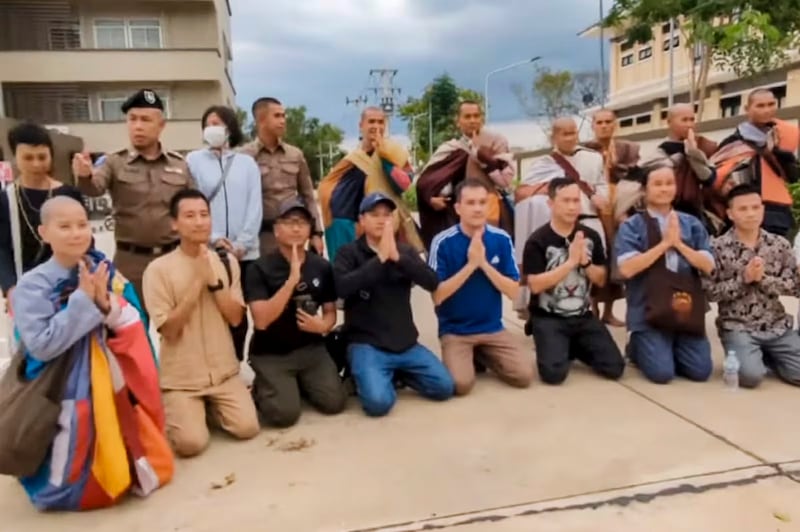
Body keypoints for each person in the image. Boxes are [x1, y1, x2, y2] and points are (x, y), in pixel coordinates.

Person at [10, 196, 172, 510]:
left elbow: (129, 317)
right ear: (44, 232)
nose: (76, 233)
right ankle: (71, 487)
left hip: (108, 375)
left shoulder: (103, 270)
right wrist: (84, 301)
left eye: (82, 225)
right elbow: (41, 345)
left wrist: (107, 306)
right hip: (61, 386)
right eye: (64, 226)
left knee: (118, 433)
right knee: (72, 444)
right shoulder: (33, 285)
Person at [142, 189, 259, 457]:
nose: (199, 222)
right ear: (174, 223)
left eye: (204, 215)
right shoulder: (158, 270)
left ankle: (210, 407)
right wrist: (197, 280)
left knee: (248, 428)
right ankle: (184, 407)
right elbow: (169, 331)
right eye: (190, 216)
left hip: (223, 371)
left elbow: (236, 317)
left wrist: (214, 282)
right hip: (182, 377)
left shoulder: (226, 261)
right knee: (191, 444)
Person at [333, 192, 454, 416]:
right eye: (374, 214)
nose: (382, 220)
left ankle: (396, 373)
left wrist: (397, 257)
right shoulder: (348, 253)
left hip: (405, 343)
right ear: (361, 220)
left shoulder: (405, 251)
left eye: (387, 215)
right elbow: (342, 288)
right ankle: (365, 374)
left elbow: (432, 281)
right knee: (379, 404)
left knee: (444, 387)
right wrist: (380, 259)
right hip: (366, 344)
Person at [71, 88, 195, 305]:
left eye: (145, 119)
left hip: (172, 258)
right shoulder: (114, 162)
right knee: (132, 328)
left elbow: (192, 208)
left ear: (161, 125)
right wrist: (84, 175)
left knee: (176, 327)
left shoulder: (179, 165)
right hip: (130, 262)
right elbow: (95, 188)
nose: (138, 126)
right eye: (132, 119)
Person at [245, 197, 346, 427]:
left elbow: (330, 311)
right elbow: (261, 322)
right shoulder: (259, 268)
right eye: (289, 222)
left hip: (311, 349)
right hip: (272, 352)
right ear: (276, 230)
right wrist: (291, 282)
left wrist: (323, 326)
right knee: (284, 416)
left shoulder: (321, 266)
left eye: (302, 222)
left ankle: (298, 383)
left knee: (334, 403)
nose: (297, 228)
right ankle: (264, 386)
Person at [429, 178, 533, 395]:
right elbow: (437, 296)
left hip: (492, 328)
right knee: (461, 385)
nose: (477, 208)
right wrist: (471, 265)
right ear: (458, 208)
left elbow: (514, 291)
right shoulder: (442, 242)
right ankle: (471, 355)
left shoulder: (501, 239)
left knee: (524, 376)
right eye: (470, 203)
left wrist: (484, 264)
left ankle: (482, 353)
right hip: (456, 331)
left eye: (482, 202)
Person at [616, 166, 715, 384]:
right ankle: (637, 346)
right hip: (648, 309)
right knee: (662, 374)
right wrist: (665, 245)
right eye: (657, 184)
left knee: (700, 372)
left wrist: (678, 244)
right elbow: (627, 269)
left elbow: (708, 265)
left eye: (669, 183)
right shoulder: (632, 226)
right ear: (644, 190)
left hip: (685, 308)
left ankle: (670, 346)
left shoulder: (691, 223)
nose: (664, 189)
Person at [523, 178, 625, 384]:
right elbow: (535, 285)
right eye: (565, 201)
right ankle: (555, 342)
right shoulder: (538, 240)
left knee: (615, 368)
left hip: (582, 316)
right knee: (553, 375)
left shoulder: (591, 236)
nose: (572, 207)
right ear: (551, 204)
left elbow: (601, 279)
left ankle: (574, 345)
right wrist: (570, 263)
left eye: (576, 201)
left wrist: (585, 263)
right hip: (548, 316)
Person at [705, 185, 800, 388]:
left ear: (763, 209)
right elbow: (710, 293)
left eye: (756, 207)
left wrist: (763, 279)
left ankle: (772, 357)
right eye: (743, 209)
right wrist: (744, 279)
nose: (751, 214)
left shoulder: (779, 245)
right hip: (738, 326)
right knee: (750, 377)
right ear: (730, 213)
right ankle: (755, 357)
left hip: (776, 325)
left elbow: (794, 287)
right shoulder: (716, 247)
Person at [187, 105, 262, 361]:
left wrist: (242, 243)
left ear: (230, 127)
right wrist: (214, 238)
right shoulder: (193, 161)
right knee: (213, 311)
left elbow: (255, 205)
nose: (212, 127)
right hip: (210, 251)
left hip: (246, 254)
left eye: (217, 122)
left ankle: (235, 363)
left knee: (240, 313)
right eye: (207, 123)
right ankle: (214, 363)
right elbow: (193, 203)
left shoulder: (247, 163)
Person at [514, 117, 609, 315]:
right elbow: (523, 193)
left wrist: (600, 197)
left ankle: (590, 317)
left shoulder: (593, 158)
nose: (570, 138)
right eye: (564, 134)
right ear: (554, 137)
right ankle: (545, 315)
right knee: (557, 275)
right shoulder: (543, 164)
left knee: (592, 273)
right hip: (558, 228)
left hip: (589, 220)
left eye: (573, 132)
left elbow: (602, 185)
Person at [318, 106, 423, 261]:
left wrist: (384, 155)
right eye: (371, 122)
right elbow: (329, 188)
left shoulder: (394, 153)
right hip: (354, 227)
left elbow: (404, 184)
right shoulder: (353, 160)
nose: (376, 126)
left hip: (387, 224)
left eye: (380, 122)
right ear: (361, 126)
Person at [1, 122, 85, 300]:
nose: (36, 164)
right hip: (25, 289)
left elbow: (85, 241)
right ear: (15, 157)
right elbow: (2, 248)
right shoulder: (6, 198)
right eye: (28, 158)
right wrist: (10, 288)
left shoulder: (69, 194)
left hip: (69, 288)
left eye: (42, 157)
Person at [416, 101, 515, 250]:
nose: (472, 121)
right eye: (467, 117)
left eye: (476, 116)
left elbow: (505, 181)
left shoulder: (495, 143)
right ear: (458, 121)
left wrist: (481, 157)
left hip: (491, 209)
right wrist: (431, 199)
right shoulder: (450, 148)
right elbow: (425, 181)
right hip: (455, 214)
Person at [240, 97, 324, 255]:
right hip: (260, 238)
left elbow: (308, 197)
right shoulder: (244, 156)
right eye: (277, 116)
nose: (283, 121)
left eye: (283, 116)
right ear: (261, 120)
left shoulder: (295, 155)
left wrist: (316, 233)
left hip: (293, 234)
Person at [712, 89, 798, 237]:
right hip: (744, 213)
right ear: (747, 109)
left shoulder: (784, 137)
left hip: (777, 214)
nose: (767, 110)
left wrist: (780, 154)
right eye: (760, 106)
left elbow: (793, 176)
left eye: (771, 104)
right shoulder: (733, 143)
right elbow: (715, 178)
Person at [582, 109, 640, 326]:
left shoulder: (627, 149)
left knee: (615, 257)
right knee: (597, 255)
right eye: (600, 122)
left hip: (619, 207)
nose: (604, 126)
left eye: (608, 122)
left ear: (615, 124)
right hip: (593, 207)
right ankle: (593, 308)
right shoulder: (584, 150)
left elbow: (635, 178)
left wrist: (615, 165)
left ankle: (608, 310)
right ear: (593, 125)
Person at [640, 104, 719, 235]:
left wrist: (693, 153)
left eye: (692, 119)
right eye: (684, 120)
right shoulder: (659, 152)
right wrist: (677, 158)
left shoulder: (702, 147)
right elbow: (645, 175)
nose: (689, 124)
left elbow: (708, 179)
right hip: (665, 212)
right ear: (669, 122)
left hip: (694, 214)